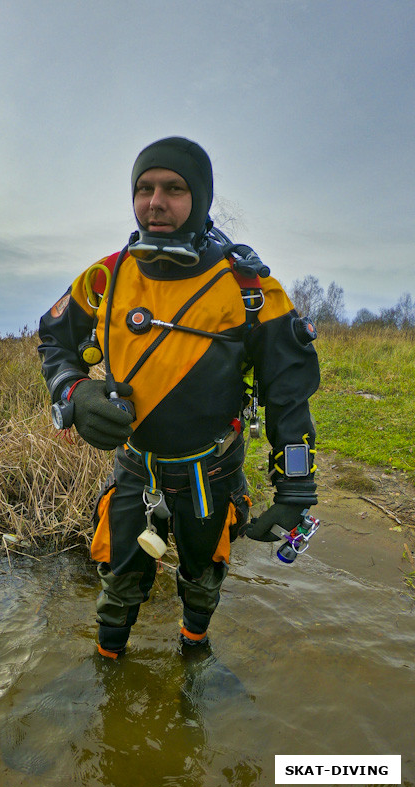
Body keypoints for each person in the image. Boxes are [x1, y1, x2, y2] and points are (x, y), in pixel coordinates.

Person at [38, 137, 320, 660]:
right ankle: (107, 671)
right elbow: (53, 339)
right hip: (134, 472)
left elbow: (289, 396)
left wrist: (295, 488)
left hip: (208, 476)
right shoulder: (106, 276)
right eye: (144, 188)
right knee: (118, 585)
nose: (155, 202)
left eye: (174, 188)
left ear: (202, 199)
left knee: (201, 584)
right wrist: (75, 392)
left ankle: (196, 667)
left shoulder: (249, 287)